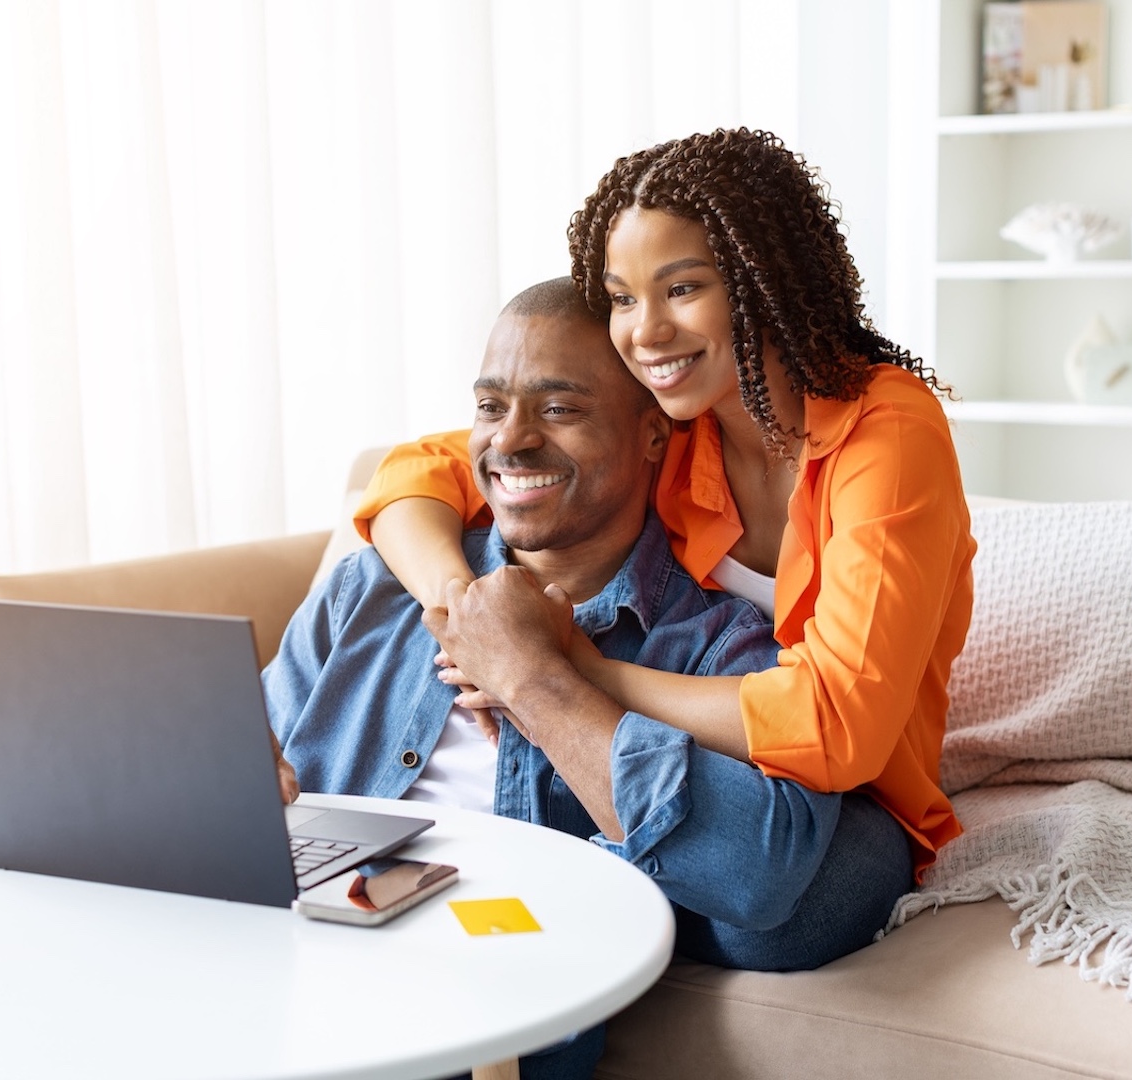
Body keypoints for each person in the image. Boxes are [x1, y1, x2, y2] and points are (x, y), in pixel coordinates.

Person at [0, 278, 914, 1080]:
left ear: (657, 436)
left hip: (429, 992)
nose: (512, 441)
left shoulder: (709, 645)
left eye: (562, 407)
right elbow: (264, 749)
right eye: (491, 408)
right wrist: (211, 768)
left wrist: (545, 684)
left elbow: (770, 877)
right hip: (254, 919)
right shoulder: (383, 584)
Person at [354, 128, 977, 888]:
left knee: (765, 908)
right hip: (704, 770)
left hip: (852, 801)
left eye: (682, 289)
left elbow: (837, 727)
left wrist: (561, 668)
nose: (644, 333)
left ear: (763, 282)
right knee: (666, 864)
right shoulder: (677, 427)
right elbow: (418, 473)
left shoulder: (885, 430)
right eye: (622, 299)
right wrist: (468, 615)